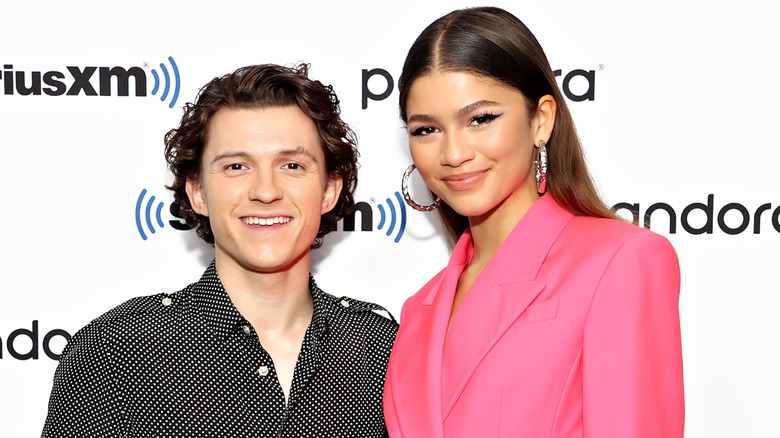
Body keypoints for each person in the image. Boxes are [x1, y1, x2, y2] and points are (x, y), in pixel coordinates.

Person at [43, 63, 398, 437]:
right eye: (236, 166)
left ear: (329, 190)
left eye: (292, 165)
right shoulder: (116, 351)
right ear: (197, 192)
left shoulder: (385, 351)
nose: (265, 190)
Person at [383, 7, 684, 437]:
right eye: (426, 130)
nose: (453, 153)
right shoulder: (419, 310)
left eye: (480, 119)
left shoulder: (620, 261)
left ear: (541, 119)